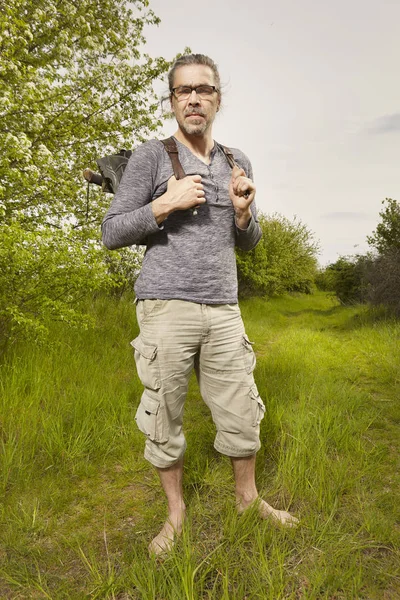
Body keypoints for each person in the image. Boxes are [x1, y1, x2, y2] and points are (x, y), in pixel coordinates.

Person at [102, 53, 298, 555]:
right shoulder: (151, 156)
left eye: (204, 90)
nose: (194, 98)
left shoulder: (238, 161)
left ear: (217, 99)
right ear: (172, 101)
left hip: (224, 309)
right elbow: (111, 231)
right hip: (165, 307)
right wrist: (163, 204)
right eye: (183, 90)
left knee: (241, 411)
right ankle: (175, 513)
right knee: (164, 413)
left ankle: (248, 500)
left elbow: (250, 243)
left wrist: (243, 212)